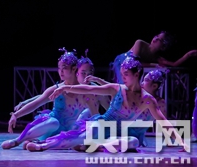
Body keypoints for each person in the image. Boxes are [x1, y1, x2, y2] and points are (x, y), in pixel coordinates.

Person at [26, 55, 178, 152]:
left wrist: (181, 142)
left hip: (115, 134)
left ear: (137, 74)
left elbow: (163, 121)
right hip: (103, 125)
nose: (123, 78)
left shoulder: (148, 100)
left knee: (133, 142)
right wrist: (66, 87)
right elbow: (89, 88)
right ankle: (43, 145)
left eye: (126, 74)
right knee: (81, 136)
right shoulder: (118, 88)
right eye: (122, 74)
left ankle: (96, 146)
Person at [2, 49, 99, 149]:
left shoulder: (84, 90)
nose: (60, 71)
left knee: (86, 120)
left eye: (64, 68)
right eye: (59, 68)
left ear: (74, 69)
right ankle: (17, 140)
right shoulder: (56, 89)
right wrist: (16, 115)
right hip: (51, 128)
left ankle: (40, 143)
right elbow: (36, 103)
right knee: (54, 122)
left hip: (66, 133)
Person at [110, 32, 196, 83]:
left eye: (160, 39)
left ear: (163, 47)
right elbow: (133, 63)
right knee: (123, 86)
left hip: (131, 70)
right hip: (122, 62)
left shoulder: (156, 57)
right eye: (156, 36)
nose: (156, 38)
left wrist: (188, 55)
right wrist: (153, 65)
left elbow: (174, 64)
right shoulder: (140, 43)